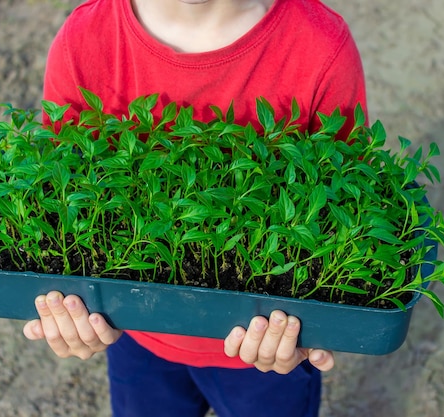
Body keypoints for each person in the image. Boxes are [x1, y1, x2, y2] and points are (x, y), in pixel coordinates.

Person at [23, 0, 367, 416]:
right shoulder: (85, 41)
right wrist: (65, 308)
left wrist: (318, 324)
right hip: (135, 328)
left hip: (264, 343)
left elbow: (345, 207)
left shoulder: (319, 47)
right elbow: (60, 198)